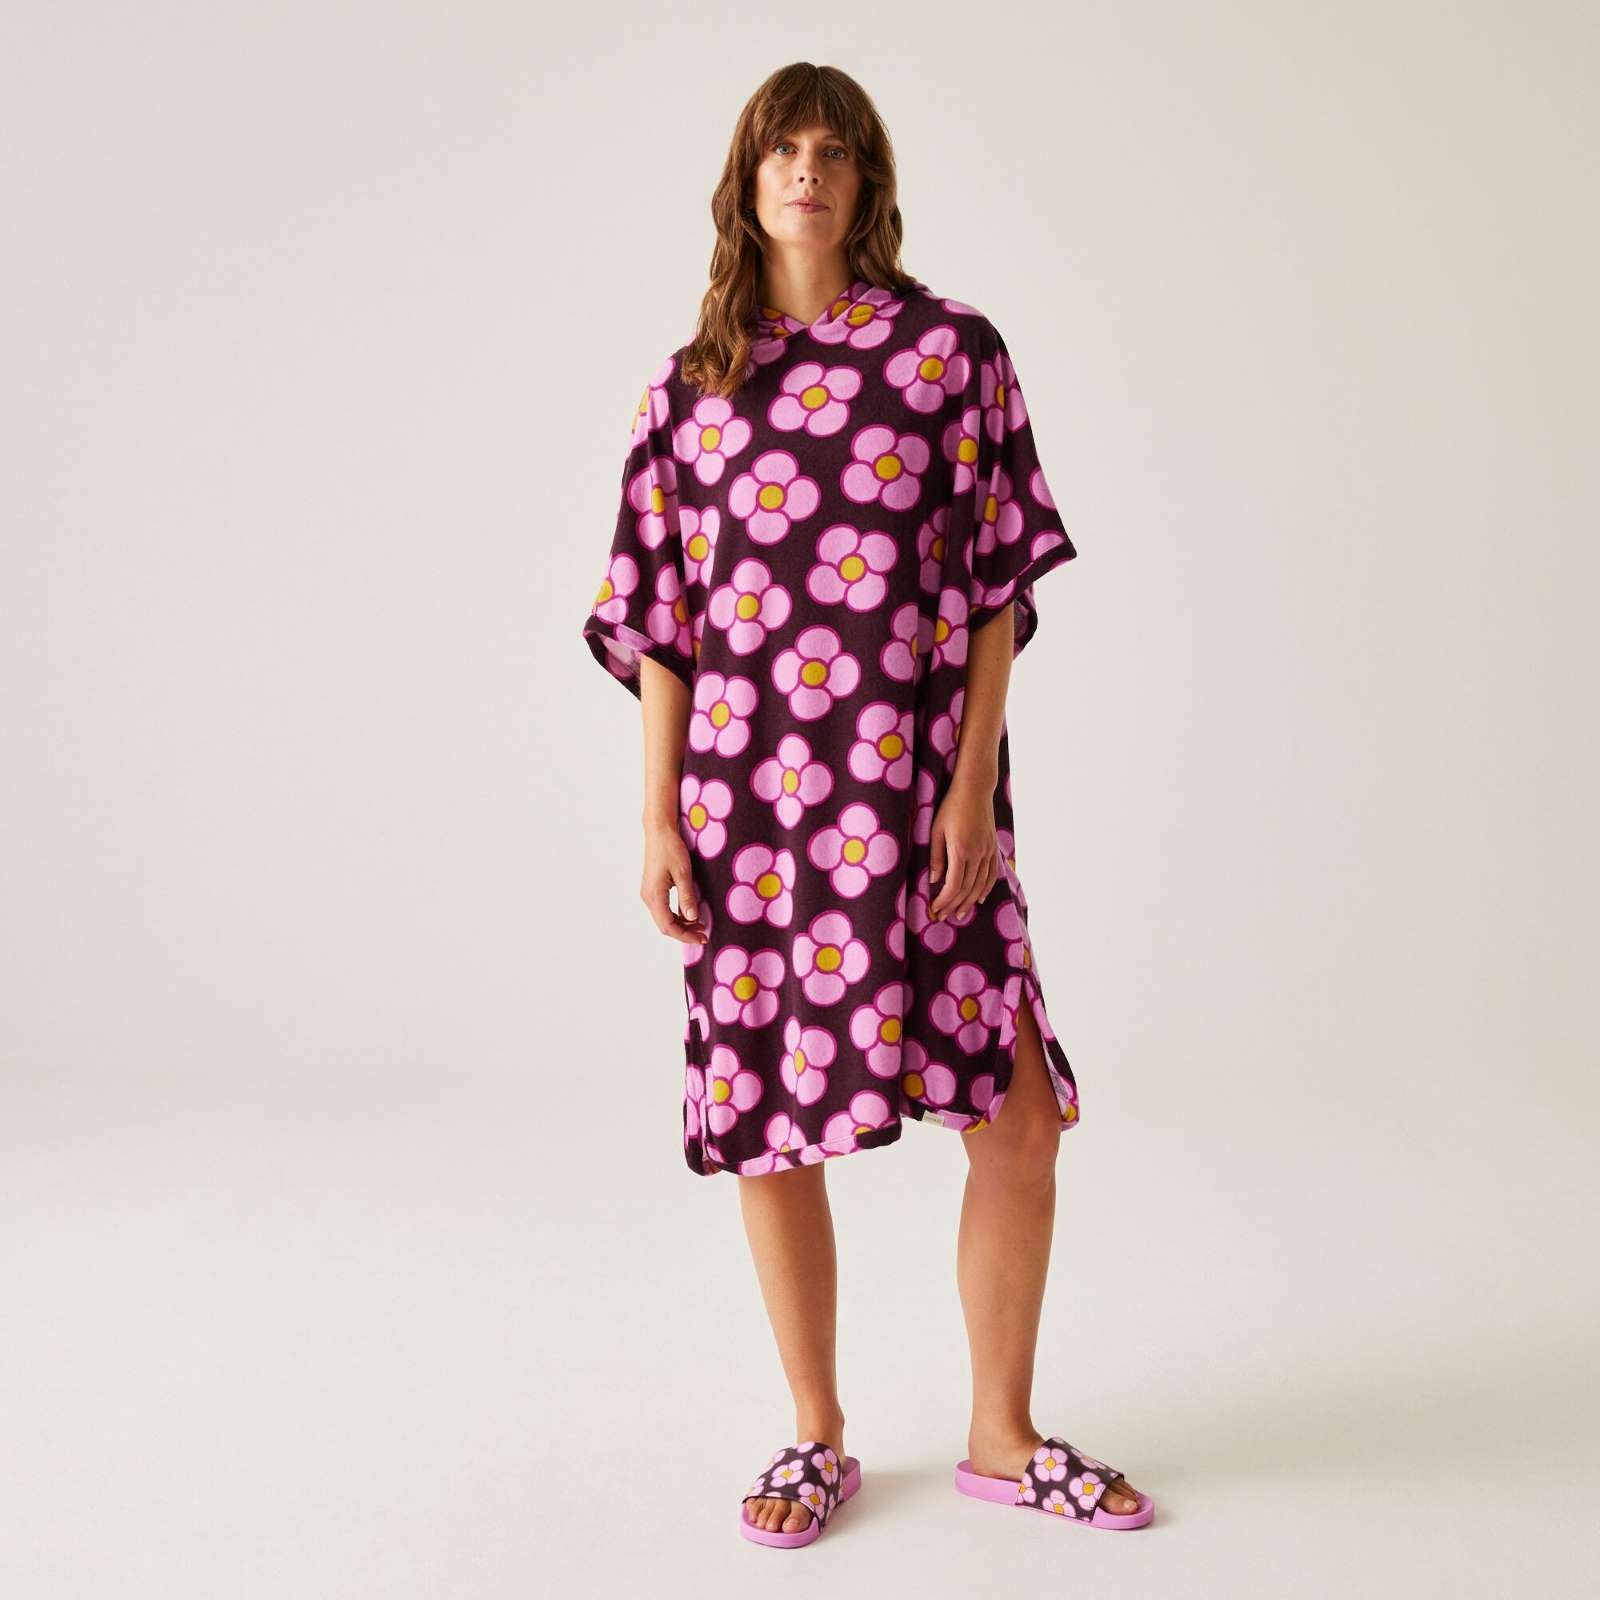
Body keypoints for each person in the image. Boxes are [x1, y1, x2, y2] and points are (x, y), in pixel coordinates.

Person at [581, 62, 1152, 1546]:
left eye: (833, 151)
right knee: (770, 1126)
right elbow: (662, 626)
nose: (808, 171)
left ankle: (1001, 1434)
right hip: (755, 808)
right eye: (784, 149)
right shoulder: (688, 393)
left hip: (920, 803)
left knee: (1017, 1119)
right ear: (746, 180)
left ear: (867, 180)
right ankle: (816, 1432)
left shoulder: (950, 354)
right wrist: (657, 819)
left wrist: (970, 790)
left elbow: (994, 588)